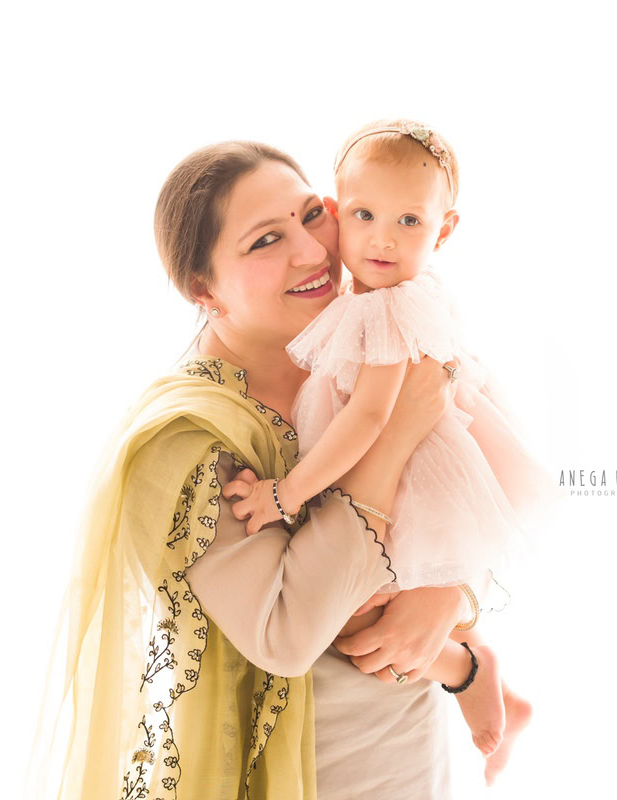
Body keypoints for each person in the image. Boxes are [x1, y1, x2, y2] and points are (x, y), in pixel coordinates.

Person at [25, 141, 480, 800]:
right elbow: (288, 635)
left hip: (407, 745)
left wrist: (451, 600)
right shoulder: (185, 444)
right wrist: (394, 434)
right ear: (202, 289)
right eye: (267, 240)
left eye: (311, 215)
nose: (314, 250)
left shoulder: (359, 354)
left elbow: (469, 485)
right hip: (297, 776)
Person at [225, 119, 548, 769]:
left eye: (409, 222)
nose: (381, 238)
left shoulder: (389, 309)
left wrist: (285, 494)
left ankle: (468, 672)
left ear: (444, 230)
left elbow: (369, 421)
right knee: (381, 598)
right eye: (366, 215)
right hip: (405, 480)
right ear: (340, 212)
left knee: (350, 614)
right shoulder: (371, 297)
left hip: (407, 482)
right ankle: (489, 680)